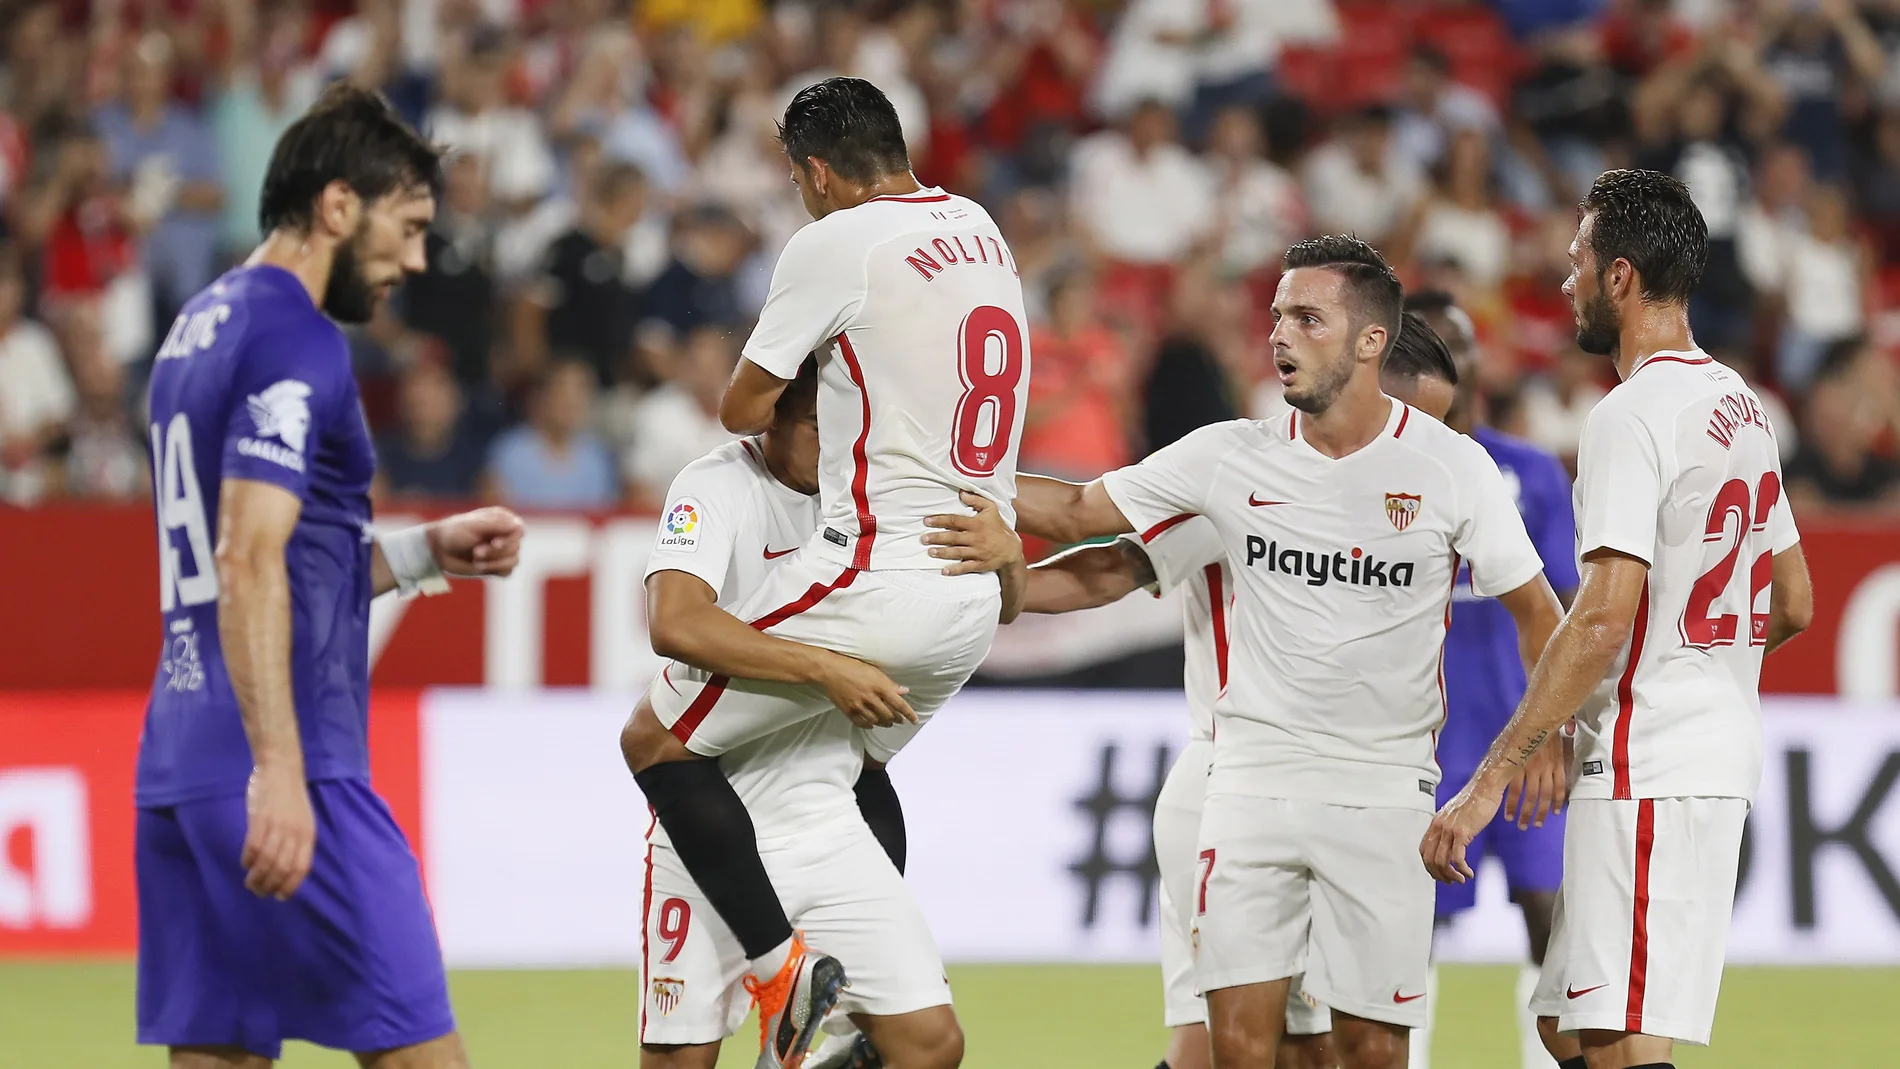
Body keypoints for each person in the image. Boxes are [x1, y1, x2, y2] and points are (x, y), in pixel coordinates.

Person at [993, 235, 1566, 1069]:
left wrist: (1537, 739)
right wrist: (939, 476)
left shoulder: (1452, 470)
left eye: (1306, 317)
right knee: (1231, 1047)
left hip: (1382, 787)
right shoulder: (1229, 461)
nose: (1279, 335)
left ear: (1371, 342)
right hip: (1243, 777)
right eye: (1278, 316)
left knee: (1364, 1047)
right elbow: (1089, 525)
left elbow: (1541, 613)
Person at [922, 311, 1467, 1069]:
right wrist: (987, 563)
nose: (1433, 447)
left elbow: (1109, 570)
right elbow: (1103, 557)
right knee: (1299, 1049)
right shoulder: (1264, 483)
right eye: (1424, 422)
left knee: (1202, 1046)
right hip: (1254, 788)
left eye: (1446, 426)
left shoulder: (1376, 498)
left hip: (1241, 791)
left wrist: (1004, 578)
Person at [617, 77, 1030, 1069]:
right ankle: (803, 1012)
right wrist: (1010, 546)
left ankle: (782, 976)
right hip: (965, 596)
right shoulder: (981, 229)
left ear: (814, 173)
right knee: (922, 1031)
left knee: (651, 734)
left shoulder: (833, 242)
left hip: (884, 584)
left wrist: (823, 662)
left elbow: (738, 402)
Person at [135, 84, 525, 1069]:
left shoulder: (199, 327)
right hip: (289, 758)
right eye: (410, 226)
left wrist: (423, 553)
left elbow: (276, 557)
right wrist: (278, 767)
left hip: (178, 763)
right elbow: (249, 554)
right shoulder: (298, 336)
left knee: (218, 1056)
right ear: (339, 207)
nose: (417, 259)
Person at [1423, 169, 1816, 1069]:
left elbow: (1600, 618)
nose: (1565, 282)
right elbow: (1791, 598)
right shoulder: (1740, 404)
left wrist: (1491, 780)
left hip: (1650, 762)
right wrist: (1697, 658)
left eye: (1578, 261)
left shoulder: (1628, 416)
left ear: (1622, 278)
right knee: (1569, 1027)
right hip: (1706, 747)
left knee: (1621, 1042)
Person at [627, 358, 993, 1069]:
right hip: (712, 825)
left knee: (930, 1046)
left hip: (828, 816)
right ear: (773, 416)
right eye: (825, 424)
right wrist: (826, 670)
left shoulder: (878, 496)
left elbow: (997, 596)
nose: (844, 444)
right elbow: (674, 623)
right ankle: (778, 972)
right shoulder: (717, 483)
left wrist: (1006, 558)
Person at [1402, 292, 1579, 1069]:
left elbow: (1566, 611)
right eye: (1436, 344)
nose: (1455, 356)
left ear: (1478, 361)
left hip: (1521, 731)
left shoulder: (1530, 472)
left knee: (1550, 915)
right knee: (1413, 927)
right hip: (1427, 741)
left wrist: (1560, 726)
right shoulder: (1382, 475)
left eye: (1463, 342)